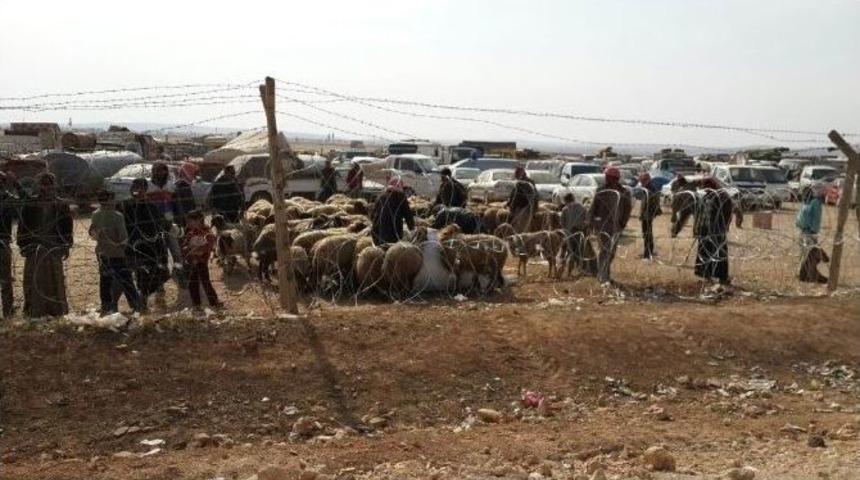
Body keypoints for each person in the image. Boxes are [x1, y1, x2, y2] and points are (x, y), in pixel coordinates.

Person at [17, 173, 73, 317]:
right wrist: (23, 244)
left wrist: (66, 245)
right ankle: (34, 312)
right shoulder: (31, 204)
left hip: (53, 248)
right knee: (34, 281)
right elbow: (23, 226)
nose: (46, 187)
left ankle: (56, 312)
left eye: (49, 184)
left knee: (55, 281)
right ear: (38, 185)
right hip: (34, 249)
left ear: (54, 186)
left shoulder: (61, 205)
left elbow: (67, 227)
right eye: (43, 184)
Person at [89, 190, 144, 314]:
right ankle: (135, 305)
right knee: (126, 279)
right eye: (113, 199)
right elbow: (123, 237)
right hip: (117, 253)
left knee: (105, 280)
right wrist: (123, 246)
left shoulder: (95, 214)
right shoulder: (117, 216)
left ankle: (107, 306)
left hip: (102, 252)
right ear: (109, 201)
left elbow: (93, 232)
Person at [120, 178, 170, 306]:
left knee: (155, 271)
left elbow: (160, 224)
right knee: (140, 272)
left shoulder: (151, 206)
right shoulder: (125, 206)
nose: (137, 190)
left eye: (140, 188)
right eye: (134, 187)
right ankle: (143, 300)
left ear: (145, 190)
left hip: (151, 245)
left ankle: (158, 295)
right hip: (134, 245)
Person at [587, 167, 632, 284]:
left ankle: (605, 273)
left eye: (608, 177)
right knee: (604, 250)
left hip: (616, 227)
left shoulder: (624, 192)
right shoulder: (601, 191)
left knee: (611, 252)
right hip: (603, 225)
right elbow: (593, 208)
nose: (606, 179)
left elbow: (627, 209)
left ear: (615, 179)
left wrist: (623, 223)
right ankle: (602, 275)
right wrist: (590, 222)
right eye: (606, 177)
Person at [693, 176, 734, 285]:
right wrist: (698, 226)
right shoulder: (706, 196)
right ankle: (706, 275)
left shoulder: (722, 196)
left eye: (706, 185)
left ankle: (722, 277)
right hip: (705, 229)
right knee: (705, 253)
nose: (705, 188)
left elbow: (728, 212)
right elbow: (701, 212)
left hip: (717, 230)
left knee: (719, 254)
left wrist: (724, 226)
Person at [180, 209, 221, 310]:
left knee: (205, 282)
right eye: (187, 222)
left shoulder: (207, 233)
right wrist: (187, 248)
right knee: (192, 284)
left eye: (190, 222)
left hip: (201, 263)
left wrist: (195, 250)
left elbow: (208, 247)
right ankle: (196, 304)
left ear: (199, 220)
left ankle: (214, 303)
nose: (188, 224)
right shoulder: (191, 233)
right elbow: (184, 247)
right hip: (192, 262)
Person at [0, 172, 23, 319]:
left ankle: (8, 310)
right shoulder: (8, 199)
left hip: (3, 242)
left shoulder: (8, 199)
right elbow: (25, 202)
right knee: (5, 279)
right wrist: (17, 184)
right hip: (3, 243)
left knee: (6, 279)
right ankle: (8, 311)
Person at [370, 177, 415, 246]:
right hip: (393, 234)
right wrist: (412, 228)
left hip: (378, 233)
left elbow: (372, 215)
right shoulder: (401, 197)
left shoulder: (381, 196)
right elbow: (407, 214)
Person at [796, 184, 824, 280]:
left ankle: (807, 273)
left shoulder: (815, 202)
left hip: (810, 233)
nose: (804, 194)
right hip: (803, 231)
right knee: (803, 253)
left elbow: (817, 218)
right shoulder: (805, 203)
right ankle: (801, 272)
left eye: (806, 192)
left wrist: (813, 231)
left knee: (809, 254)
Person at [560, 193, 588, 275]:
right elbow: (586, 221)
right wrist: (581, 227)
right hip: (580, 233)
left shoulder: (565, 209)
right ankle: (580, 269)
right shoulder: (582, 208)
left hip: (568, 234)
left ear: (566, 200)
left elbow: (562, 223)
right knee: (579, 252)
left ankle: (568, 271)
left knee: (570, 252)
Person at [638, 172, 661, 259]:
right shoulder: (648, 188)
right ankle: (647, 251)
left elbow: (651, 203)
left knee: (647, 234)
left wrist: (644, 214)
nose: (642, 183)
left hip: (648, 215)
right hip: (646, 214)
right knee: (647, 233)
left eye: (643, 181)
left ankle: (648, 253)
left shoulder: (650, 189)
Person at [507, 165, 538, 233]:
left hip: (521, 209)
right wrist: (535, 209)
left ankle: (519, 242)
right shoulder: (531, 182)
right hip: (530, 209)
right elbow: (536, 196)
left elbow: (515, 197)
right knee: (527, 227)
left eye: (516, 174)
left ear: (519, 174)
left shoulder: (520, 183)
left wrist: (511, 207)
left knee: (518, 228)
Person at [173, 162, 198, 228]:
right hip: (185, 220)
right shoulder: (184, 186)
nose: (194, 175)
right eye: (194, 173)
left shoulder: (177, 184)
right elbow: (189, 205)